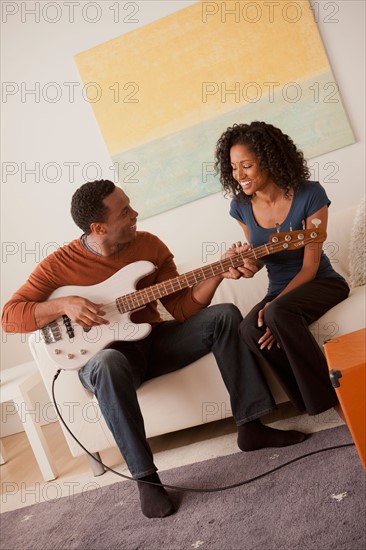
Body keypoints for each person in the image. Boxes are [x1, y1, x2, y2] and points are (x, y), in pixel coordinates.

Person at [2, 179, 306, 519]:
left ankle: (252, 427)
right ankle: (147, 480)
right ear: (99, 227)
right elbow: (9, 317)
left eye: (130, 205)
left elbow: (181, 309)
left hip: (154, 343)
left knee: (223, 316)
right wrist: (64, 306)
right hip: (107, 362)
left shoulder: (149, 246)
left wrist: (220, 272)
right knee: (107, 362)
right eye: (125, 211)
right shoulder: (59, 266)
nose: (135, 214)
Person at [215, 121, 350, 419]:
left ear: (269, 159)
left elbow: (311, 264)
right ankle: (312, 403)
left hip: (321, 281)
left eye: (246, 165)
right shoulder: (240, 207)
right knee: (248, 328)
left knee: (276, 314)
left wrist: (276, 309)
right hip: (279, 292)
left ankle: (341, 406)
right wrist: (246, 264)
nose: (239, 175)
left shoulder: (310, 194)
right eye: (234, 168)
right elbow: (262, 258)